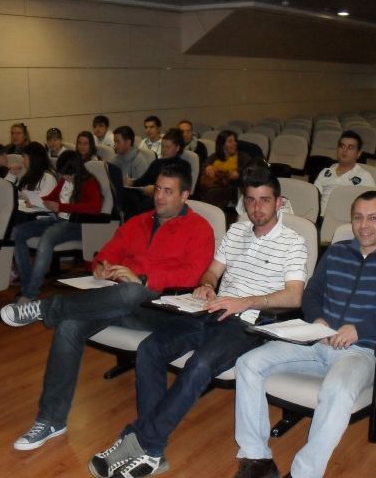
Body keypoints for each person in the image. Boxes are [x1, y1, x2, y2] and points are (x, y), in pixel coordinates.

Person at [88, 167, 308, 478]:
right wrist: (206, 285)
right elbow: (213, 272)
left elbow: (294, 296)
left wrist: (245, 301)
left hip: (249, 323)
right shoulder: (236, 232)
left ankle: (139, 442)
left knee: (200, 364)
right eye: (250, 200)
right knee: (150, 349)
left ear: (279, 202)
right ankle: (152, 450)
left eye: (265, 200)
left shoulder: (293, 242)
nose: (257, 208)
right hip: (210, 310)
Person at [0, 163, 215, 451]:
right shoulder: (138, 221)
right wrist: (101, 265)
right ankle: (51, 419)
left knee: (131, 291)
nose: (159, 197)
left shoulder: (200, 228)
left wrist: (142, 278)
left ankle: (45, 308)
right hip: (119, 300)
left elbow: (192, 274)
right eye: (158, 189)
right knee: (70, 325)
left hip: (163, 309)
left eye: (168, 191)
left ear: (185, 195)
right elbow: (109, 251)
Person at [233, 190, 376, 478]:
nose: (364, 225)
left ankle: (304, 473)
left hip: (360, 352)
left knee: (338, 389)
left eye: (373, 218)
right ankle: (257, 458)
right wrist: (318, 319)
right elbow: (312, 294)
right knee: (248, 363)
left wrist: (360, 329)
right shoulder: (336, 252)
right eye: (358, 218)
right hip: (315, 342)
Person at [11, 150, 102, 302]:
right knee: (17, 232)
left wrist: (62, 207)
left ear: (75, 171)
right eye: (62, 174)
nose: (64, 177)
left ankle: (30, 293)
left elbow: (95, 207)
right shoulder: (64, 180)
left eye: (67, 175)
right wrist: (35, 200)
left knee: (47, 237)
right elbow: (51, 198)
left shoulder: (89, 182)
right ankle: (27, 284)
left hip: (78, 225)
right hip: (60, 220)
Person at [123, 128, 191, 217]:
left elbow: (179, 188)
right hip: (148, 195)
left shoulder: (183, 165)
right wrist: (131, 182)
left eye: (168, 147)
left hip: (165, 198)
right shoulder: (157, 163)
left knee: (140, 204)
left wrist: (155, 189)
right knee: (128, 195)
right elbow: (142, 181)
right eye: (162, 147)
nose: (164, 150)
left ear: (177, 148)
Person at [314, 130, 376, 217]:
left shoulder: (364, 176)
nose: (345, 150)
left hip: (345, 221)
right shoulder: (325, 172)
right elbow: (313, 198)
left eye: (350, 147)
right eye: (342, 146)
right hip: (320, 218)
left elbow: (372, 204)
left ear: (358, 154)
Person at [198, 130, 253, 208]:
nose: (234, 143)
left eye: (235, 141)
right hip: (212, 186)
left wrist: (238, 173)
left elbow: (249, 170)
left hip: (232, 188)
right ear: (222, 144)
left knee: (214, 193)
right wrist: (207, 167)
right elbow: (204, 166)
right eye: (230, 141)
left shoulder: (242, 157)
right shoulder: (214, 157)